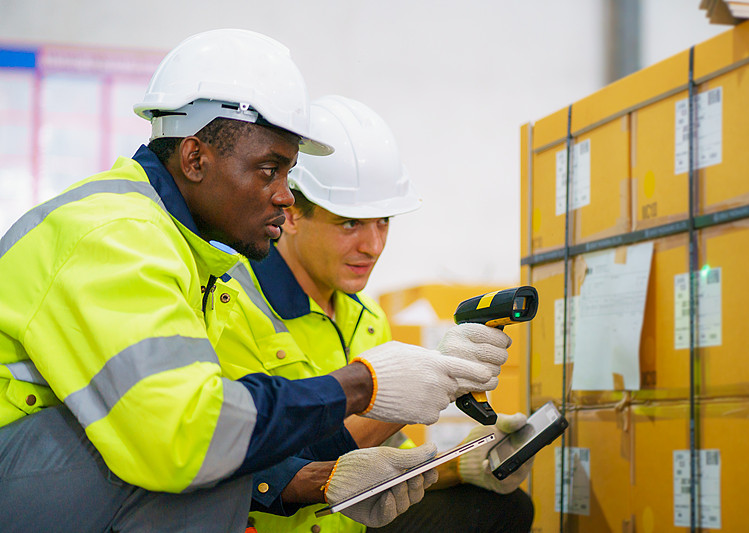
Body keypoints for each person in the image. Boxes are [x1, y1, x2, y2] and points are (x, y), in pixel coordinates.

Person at [0, 30, 509, 532]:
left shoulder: (191, 261)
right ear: (195, 158)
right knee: (198, 467)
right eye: (269, 170)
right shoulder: (116, 237)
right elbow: (188, 438)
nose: (286, 197)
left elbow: (244, 433)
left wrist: (321, 478)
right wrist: (361, 385)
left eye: (287, 173)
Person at [215, 95, 534, 532]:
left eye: (383, 221)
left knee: (505, 508)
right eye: (350, 224)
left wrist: (464, 465)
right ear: (290, 214)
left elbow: (381, 467)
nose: (373, 246)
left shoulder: (368, 317)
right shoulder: (232, 306)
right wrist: (432, 382)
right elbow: (282, 464)